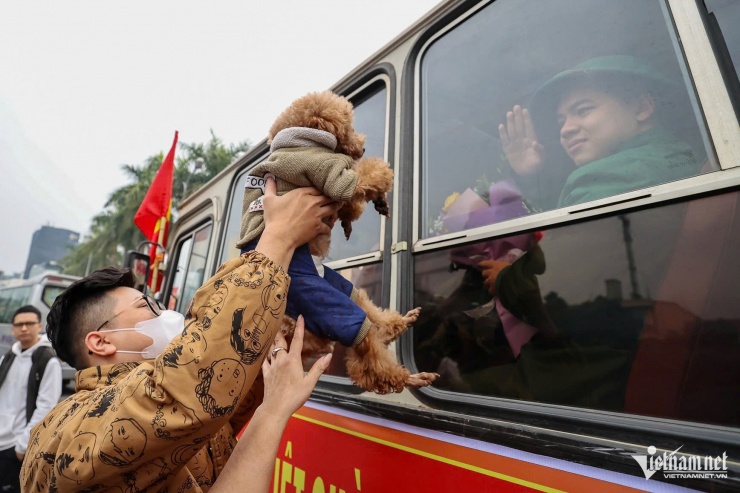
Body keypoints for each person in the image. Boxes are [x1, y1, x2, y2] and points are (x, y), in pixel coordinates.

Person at [20, 177, 341, 493]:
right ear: (101, 341)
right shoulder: (68, 428)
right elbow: (185, 389)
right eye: (148, 307)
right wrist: (277, 239)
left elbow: (222, 395)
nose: (168, 317)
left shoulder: (179, 413)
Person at [498, 55, 699, 209]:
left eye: (583, 110)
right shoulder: (688, 155)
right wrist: (532, 177)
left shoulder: (602, 178)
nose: (566, 130)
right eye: (561, 121)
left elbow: (550, 253)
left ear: (641, 108)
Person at [0, 305, 62, 493]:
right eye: (19, 324)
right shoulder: (8, 356)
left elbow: (46, 407)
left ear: (39, 326)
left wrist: (23, 444)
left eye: (29, 323)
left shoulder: (47, 360)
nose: (24, 328)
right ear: (13, 329)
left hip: (16, 445)